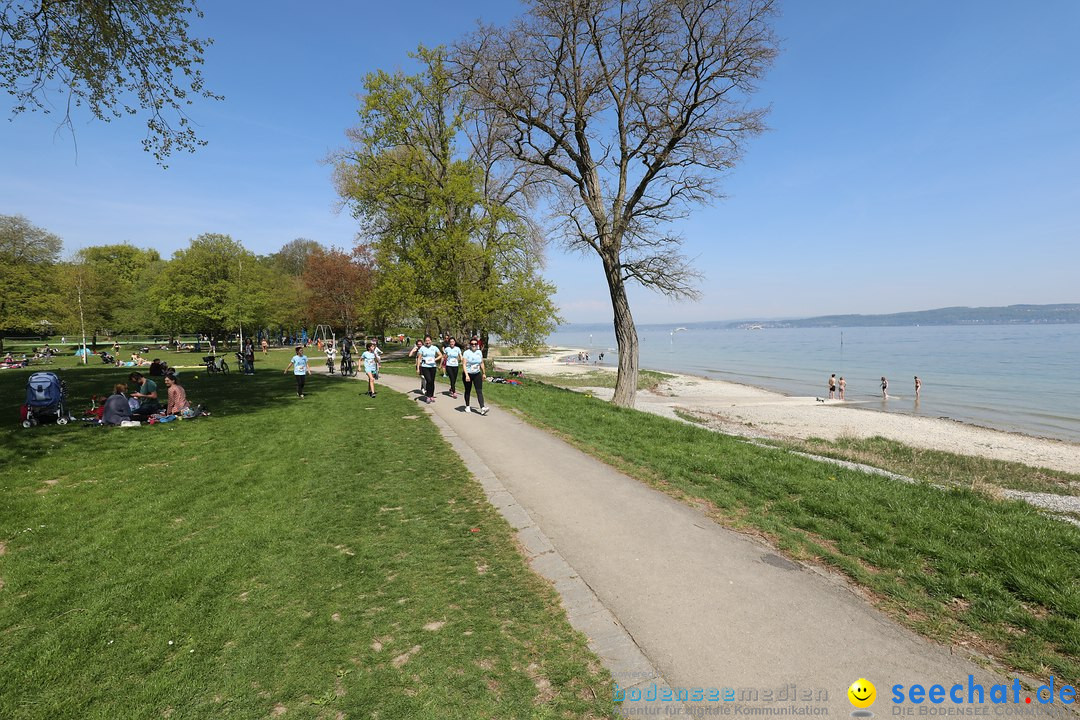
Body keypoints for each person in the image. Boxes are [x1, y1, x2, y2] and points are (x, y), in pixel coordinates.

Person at [462, 338, 488, 415]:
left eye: (475, 344)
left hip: (477, 373)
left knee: (479, 391)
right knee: (468, 390)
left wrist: (484, 373)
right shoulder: (466, 353)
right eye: (472, 344)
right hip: (468, 374)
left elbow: (481, 363)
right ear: (470, 345)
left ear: (477, 345)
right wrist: (466, 375)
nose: (474, 345)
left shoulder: (479, 352)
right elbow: (464, 364)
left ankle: (482, 407)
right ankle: (467, 406)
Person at [416, 335, 443, 404]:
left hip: (433, 367)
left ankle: (431, 396)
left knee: (432, 381)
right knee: (428, 380)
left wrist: (435, 359)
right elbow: (419, 358)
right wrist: (418, 368)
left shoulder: (434, 348)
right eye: (426, 341)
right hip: (425, 367)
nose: (427, 342)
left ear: (431, 341)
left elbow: (440, 355)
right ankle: (428, 396)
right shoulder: (422, 348)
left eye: (429, 340)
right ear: (424, 341)